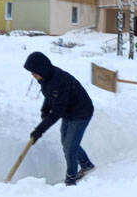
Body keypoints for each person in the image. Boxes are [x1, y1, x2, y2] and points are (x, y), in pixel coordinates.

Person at [23, 52, 95, 186]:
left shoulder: (58, 81)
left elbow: (56, 112)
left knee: (70, 147)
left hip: (81, 112)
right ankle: (86, 165)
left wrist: (39, 130)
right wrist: (44, 110)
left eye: (34, 72)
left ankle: (71, 179)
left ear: (41, 69)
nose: (32, 74)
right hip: (69, 112)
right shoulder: (45, 78)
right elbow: (49, 96)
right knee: (67, 142)